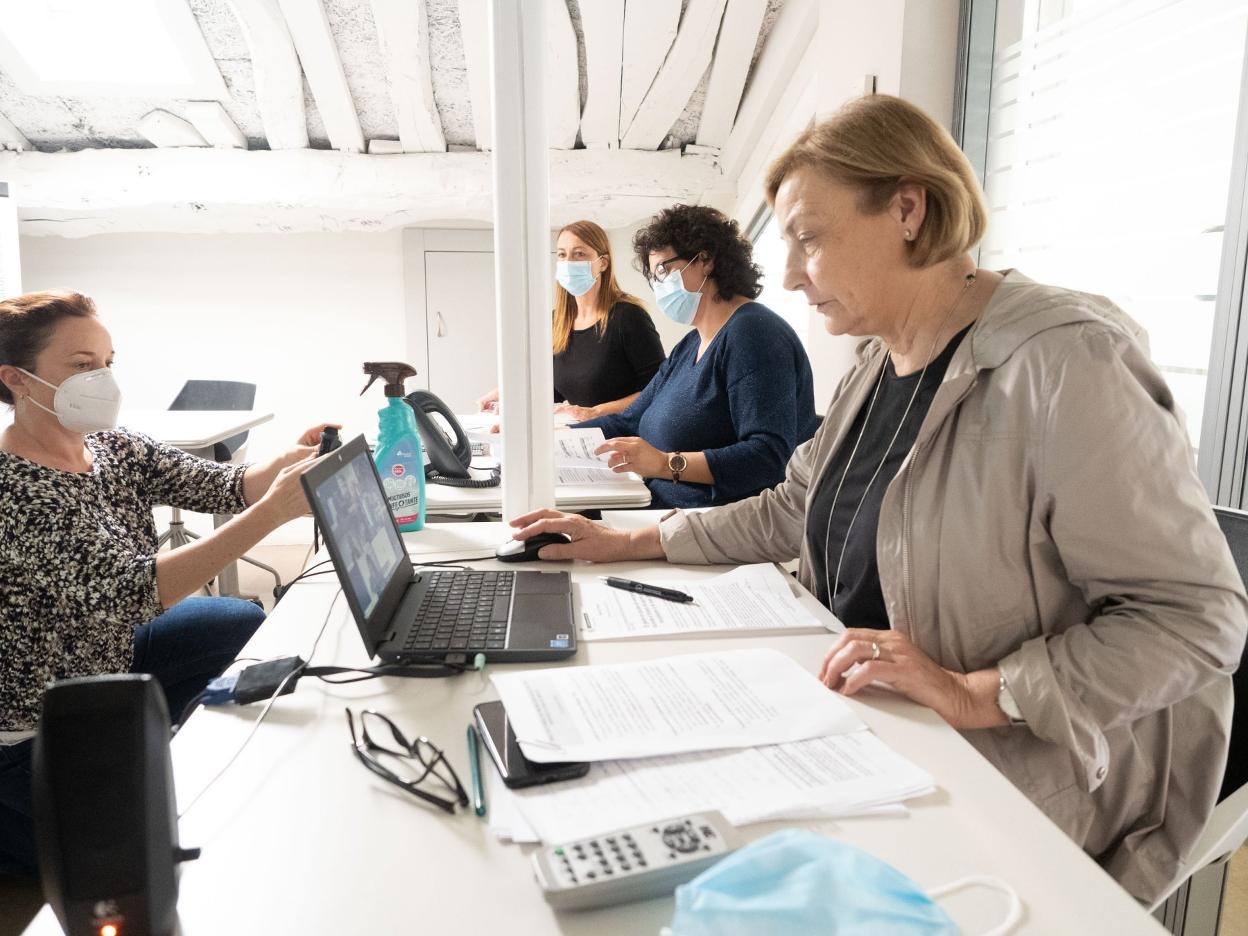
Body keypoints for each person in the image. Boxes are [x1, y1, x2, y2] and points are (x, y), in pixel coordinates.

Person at [505, 96, 1248, 904]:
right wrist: (631, 543)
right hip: (870, 722)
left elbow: (1194, 621)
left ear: (906, 208)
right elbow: (791, 506)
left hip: (1014, 773)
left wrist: (977, 691)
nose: (787, 273)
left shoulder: (1070, 363)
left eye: (809, 239)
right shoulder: (876, 359)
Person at [0, 290, 331, 877]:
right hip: (36, 727)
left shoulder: (111, 445)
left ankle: (144, 753)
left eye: (107, 362)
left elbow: (224, 487)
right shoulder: (17, 492)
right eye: (81, 366)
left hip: (106, 656)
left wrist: (287, 461)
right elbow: (136, 591)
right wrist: (275, 513)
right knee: (123, 863)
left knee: (236, 619)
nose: (102, 379)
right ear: (17, 380)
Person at [577, 204, 818, 509]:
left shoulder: (754, 333)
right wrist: (548, 440)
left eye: (664, 269)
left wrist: (666, 463)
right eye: (654, 277)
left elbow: (768, 456)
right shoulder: (690, 345)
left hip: (717, 521)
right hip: (659, 507)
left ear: (704, 260)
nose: (660, 285)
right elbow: (628, 421)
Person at [475, 219, 665, 421]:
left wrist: (596, 412)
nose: (568, 263)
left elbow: (659, 389)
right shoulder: (557, 321)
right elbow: (554, 387)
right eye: (562, 255)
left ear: (603, 263)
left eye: (579, 254)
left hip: (627, 437)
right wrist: (506, 394)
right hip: (583, 436)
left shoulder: (628, 317)